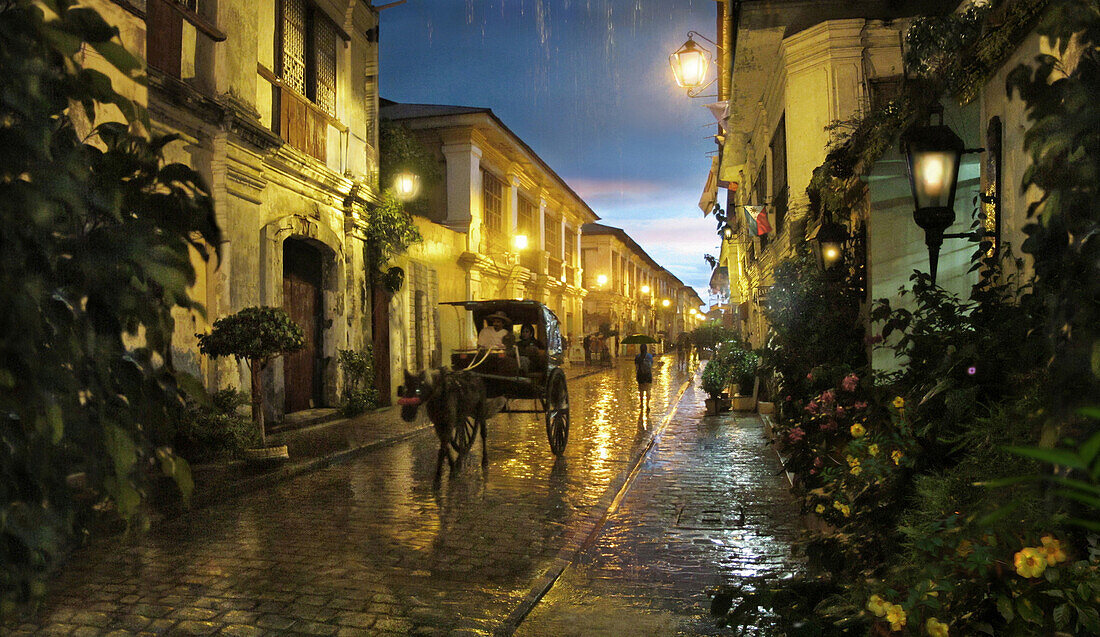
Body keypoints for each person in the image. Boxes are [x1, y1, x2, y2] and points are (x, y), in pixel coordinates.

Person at [635, 343, 654, 411]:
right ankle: (647, 404)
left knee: (641, 391)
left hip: (640, 375)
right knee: (648, 390)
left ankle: (642, 403)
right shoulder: (649, 356)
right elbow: (651, 365)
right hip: (648, 375)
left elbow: (636, 367)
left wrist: (637, 374)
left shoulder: (637, 356)